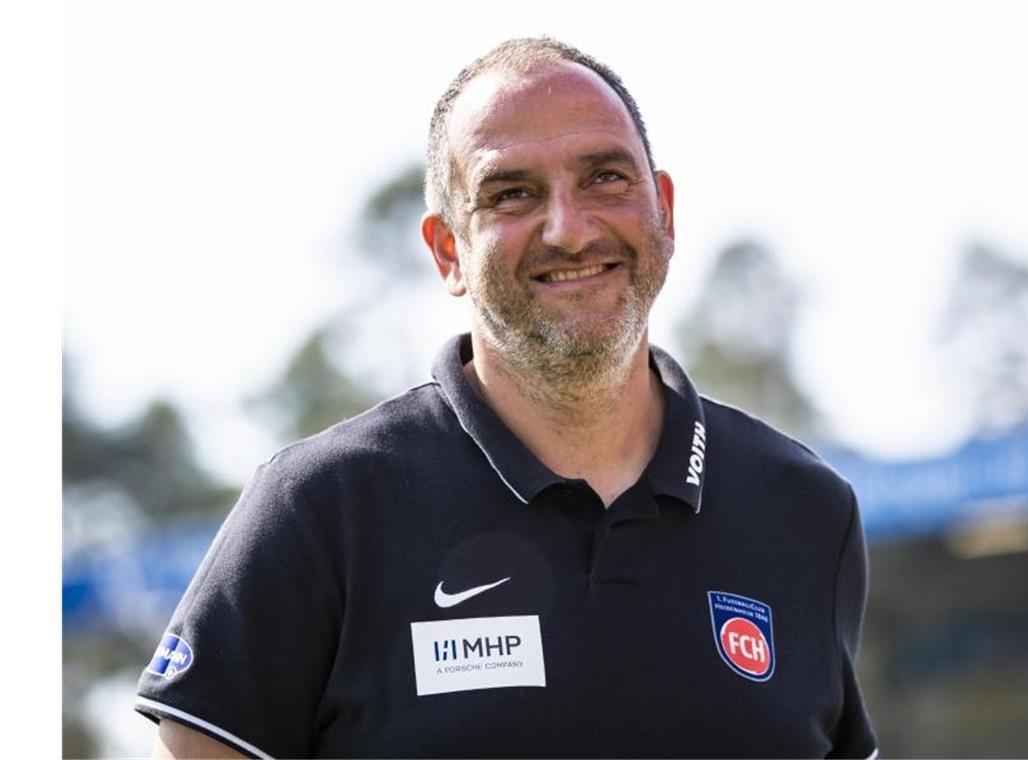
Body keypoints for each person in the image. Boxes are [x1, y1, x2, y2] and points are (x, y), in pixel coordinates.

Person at [136, 37, 878, 759]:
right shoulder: (321, 507)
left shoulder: (808, 513)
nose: (569, 228)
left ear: (666, 212)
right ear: (447, 251)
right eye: (512, 194)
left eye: (605, 178)